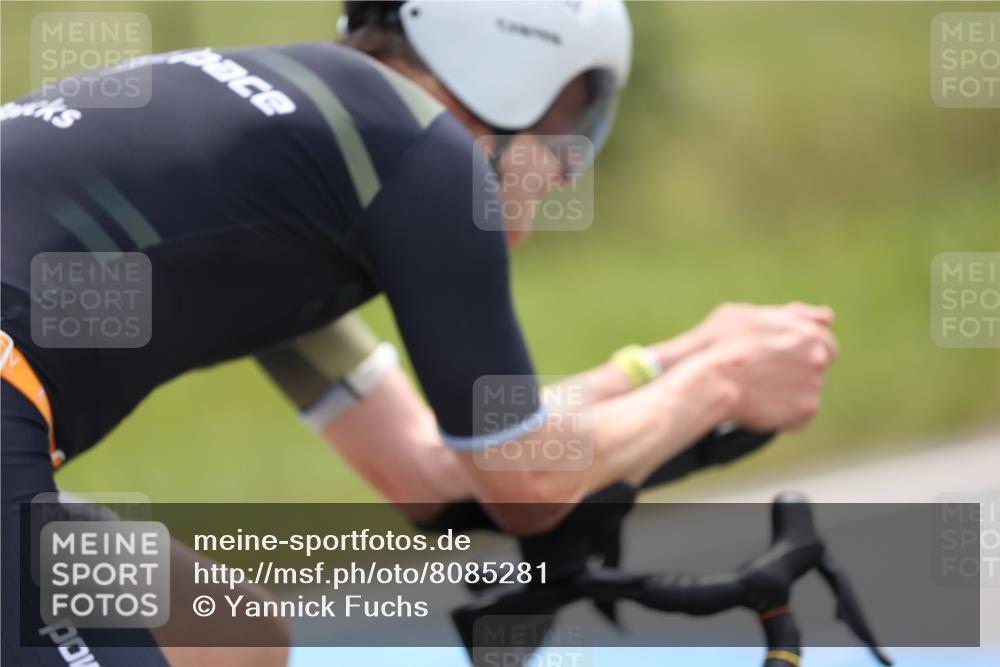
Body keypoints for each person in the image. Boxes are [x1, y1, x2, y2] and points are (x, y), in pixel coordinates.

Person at [0, 1, 836, 665]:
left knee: (224, 633)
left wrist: (668, 362)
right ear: (518, 73)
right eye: (573, 118)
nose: (568, 163)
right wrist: (721, 385)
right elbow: (525, 478)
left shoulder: (304, 159)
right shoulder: (424, 160)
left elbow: (426, 463)